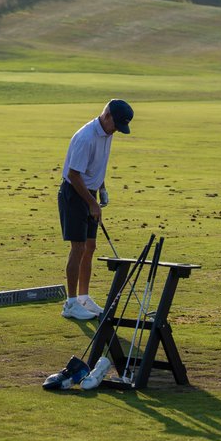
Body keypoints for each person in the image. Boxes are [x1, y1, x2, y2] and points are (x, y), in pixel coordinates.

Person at [58, 99, 134, 320]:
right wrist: (91, 203)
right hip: (73, 194)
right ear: (107, 115)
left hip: (90, 192)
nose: (116, 131)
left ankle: (84, 297)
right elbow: (73, 175)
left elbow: (97, 165)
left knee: (90, 246)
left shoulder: (107, 134)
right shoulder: (86, 137)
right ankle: (71, 303)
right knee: (79, 247)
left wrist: (102, 189)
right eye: (116, 125)